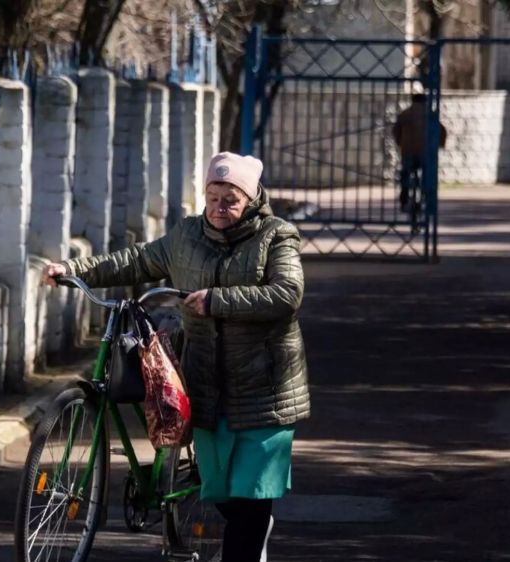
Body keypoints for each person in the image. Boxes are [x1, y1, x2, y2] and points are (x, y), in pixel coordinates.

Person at [43, 152, 311, 562]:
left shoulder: (276, 236)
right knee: (221, 489)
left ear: (252, 199)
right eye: (213, 197)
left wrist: (218, 301)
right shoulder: (186, 236)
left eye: (231, 200)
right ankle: (252, 530)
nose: (219, 208)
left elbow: (287, 293)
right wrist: (73, 269)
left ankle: (250, 539)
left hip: (264, 386)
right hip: (205, 382)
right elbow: (136, 260)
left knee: (253, 493)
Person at [392, 93, 447, 212]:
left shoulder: (405, 114)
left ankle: (404, 198)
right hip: (426, 153)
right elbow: (441, 130)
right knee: (428, 174)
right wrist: (440, 145)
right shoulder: (430, 115)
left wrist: (400, 142)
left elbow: (396, 131)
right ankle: (427, 197)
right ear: (424, 101)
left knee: (405, 174)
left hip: (408, 152)